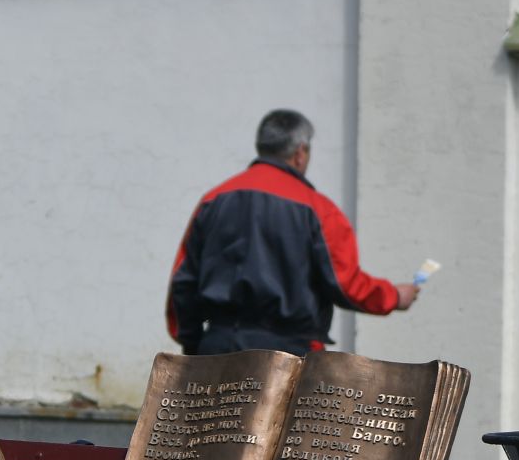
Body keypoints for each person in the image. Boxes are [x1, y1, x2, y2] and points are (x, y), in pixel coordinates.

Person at [167, 109, 419, 356]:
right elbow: (346, 284)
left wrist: (194, 345)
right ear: (300, 153)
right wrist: (393, 296)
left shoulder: (213, 200)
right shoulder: (319, 210)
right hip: (287, 357)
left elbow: (183, 281)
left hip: (217, 349)